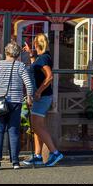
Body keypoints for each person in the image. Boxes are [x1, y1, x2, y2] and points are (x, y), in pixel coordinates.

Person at [0, 41, 33, 170]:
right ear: (17, 54)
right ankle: (15, 161)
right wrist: (29, 97)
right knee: (14, 131)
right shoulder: (21, 66)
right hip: (16, 102)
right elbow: (28, 84)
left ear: (6, 52)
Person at [22, 33, 63, 167]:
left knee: (37, 126)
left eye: (34, 43)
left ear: (36, 44)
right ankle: (38, 156)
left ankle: (55, 153)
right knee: (37, 126)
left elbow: (49, 76)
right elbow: (37, 71)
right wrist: (31, 55)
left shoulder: (44, 58)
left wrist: (39, 91)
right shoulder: (42, 57)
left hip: (43, 96)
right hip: (41, 96)